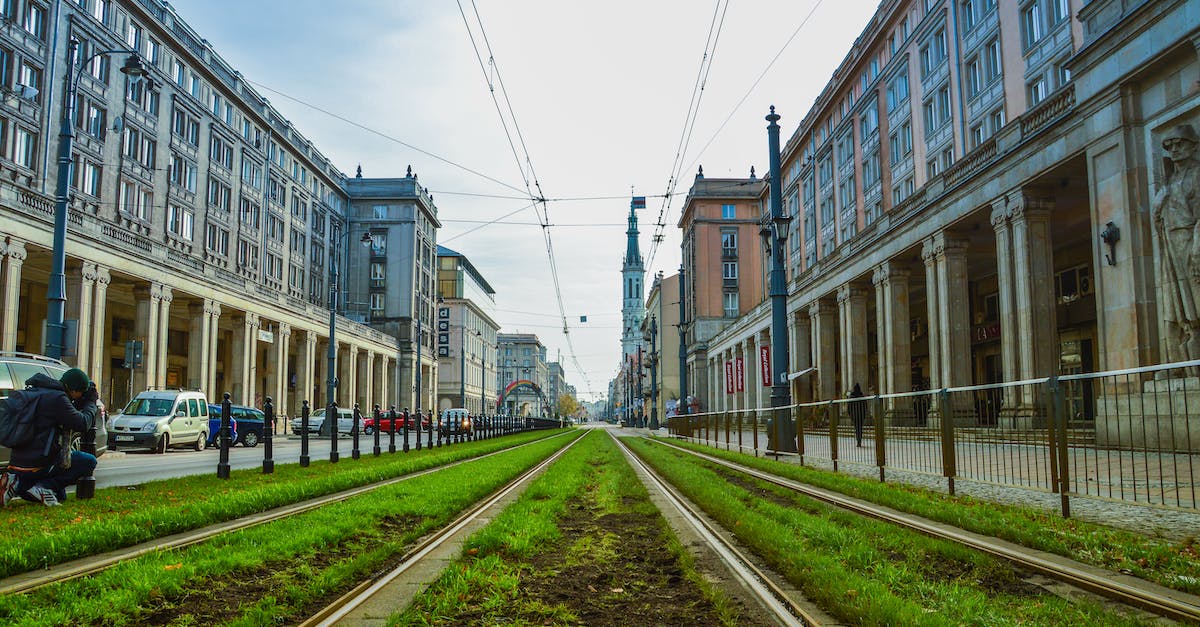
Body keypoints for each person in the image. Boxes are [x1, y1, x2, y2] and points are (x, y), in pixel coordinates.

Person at [1, 368, 99, 507]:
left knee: (60, 496)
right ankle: (42, 487)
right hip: (40, 461)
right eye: (81, 392)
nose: (80, 396)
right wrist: (90, 402)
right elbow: (82, 423)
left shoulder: (36, 392)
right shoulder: (58, 399)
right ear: (74, 390)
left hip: (17, 462)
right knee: (88, 461)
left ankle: (16, 483)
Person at [1152, 123, 1200, 364]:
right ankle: (1182, 356)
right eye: (1169, 146)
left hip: (1189, 239)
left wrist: (1197, 247)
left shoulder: (1196, 174)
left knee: (1194, 294)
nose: (1174, 150)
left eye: (1179, 144)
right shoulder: (1169, 180)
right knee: (1175, 300)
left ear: (1193, 146)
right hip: (1170, 243)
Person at [848, 382, 867, 448]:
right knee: (860, 428)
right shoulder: (862, 396)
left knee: (857, 428)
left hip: (855, 416)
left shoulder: (851, 397)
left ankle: (858, 440)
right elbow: (865, 407)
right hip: (861, 416)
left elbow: (849, 408)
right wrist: (864, 415)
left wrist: (851, 416)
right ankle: (859, 440)